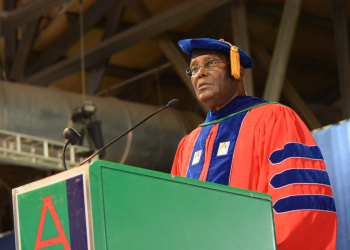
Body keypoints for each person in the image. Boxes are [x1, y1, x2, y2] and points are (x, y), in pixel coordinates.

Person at [171, 38, 337, 250]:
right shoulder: (188, 144)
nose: (200, 73)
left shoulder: (274, 118)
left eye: (210, 63)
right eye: (193, 69)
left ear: (236, 70)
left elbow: (298, 204)